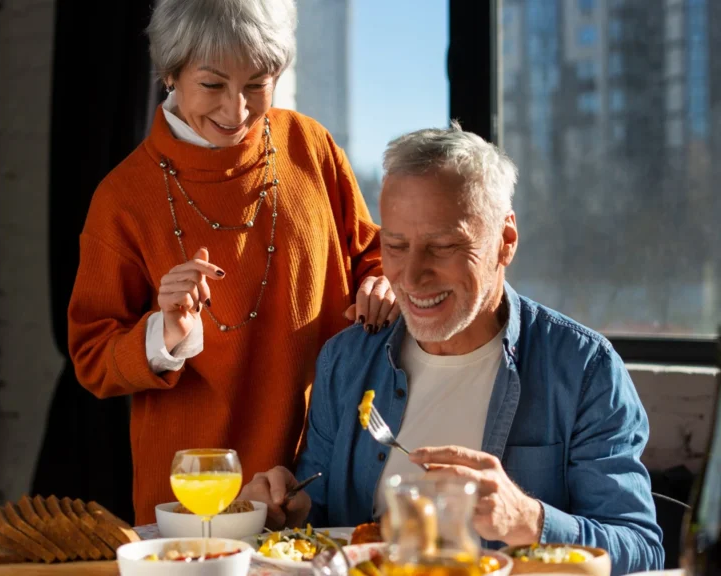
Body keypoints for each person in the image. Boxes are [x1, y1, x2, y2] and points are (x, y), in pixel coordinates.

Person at [239, 124, 664, 576]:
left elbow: (640, 548)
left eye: (443, 246)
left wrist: (528, 520)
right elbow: (319, 511)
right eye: (396, 246)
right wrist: (290, 507)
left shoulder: (584, 369)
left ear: (505, 240)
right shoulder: (345, 361)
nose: (412, 275)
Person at [68, 0, 398, 526]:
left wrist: (381, 283)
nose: (237, 110)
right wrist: (165, 334)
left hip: (325, 479)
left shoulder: (310, 147)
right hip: (195, 498)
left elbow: (370, 252)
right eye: (214, 85)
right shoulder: (123, 198)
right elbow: (92, 357)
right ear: (170, 73)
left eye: (257, 84)